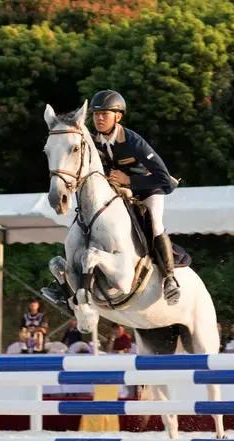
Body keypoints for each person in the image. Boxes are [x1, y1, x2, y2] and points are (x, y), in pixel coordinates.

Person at [89, 89, 180, 304]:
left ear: (118, 116)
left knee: (156, 224)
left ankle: (170, 280)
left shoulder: (133, 142)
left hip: (149, 190)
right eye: (95, 114)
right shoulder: (95, 142)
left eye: (105, 114)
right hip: (120, 194)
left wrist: (129, 180)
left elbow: (165, 181)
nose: (99, 118)